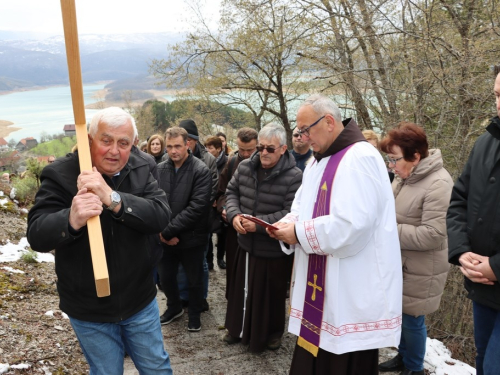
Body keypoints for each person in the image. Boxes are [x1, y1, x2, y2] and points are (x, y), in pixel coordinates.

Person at [27, 107, 173, 374]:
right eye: (106, 140)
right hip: (88, 308)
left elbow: (161, 215)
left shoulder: (141, 167)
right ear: (90, 140)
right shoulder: (60, 174)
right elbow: (36, 234)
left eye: (123, 143)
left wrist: (114, 199)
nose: (114, 151)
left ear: (133, 145)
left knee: (157, 367)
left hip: (139, 299)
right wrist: (70, 220)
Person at [268, 94, 402, 375]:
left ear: (329, 121)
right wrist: (287, 225)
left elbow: (352, 226)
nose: (302, 138)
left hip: (350, 285)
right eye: (299, 131)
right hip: (325, 283)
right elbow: (302, 205)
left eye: (306, 130)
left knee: (343, 361)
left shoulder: (360, 158)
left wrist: (299, 233)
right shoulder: (318, 161)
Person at [378, 122, 453, 375]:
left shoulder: (438, 183)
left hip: (421, 266)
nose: (391, 166)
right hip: (398, 261)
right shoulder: (404, 176)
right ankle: (403, 356)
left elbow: (433, 235)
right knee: (397, 313)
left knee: (412, 318)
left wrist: (387, 230)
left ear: (416, 156)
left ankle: (414, 368)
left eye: (394, 159)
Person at [224, 123, 302, 352]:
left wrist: (256, 224)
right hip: (245, 244)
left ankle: (271, 334)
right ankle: (236, 329)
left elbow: (291, 211)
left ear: (283, 148)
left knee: (271, 296)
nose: (263, 153)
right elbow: (231, 193)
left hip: (272, 249)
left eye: (270, 148)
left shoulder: (294, 175)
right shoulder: (245, 166)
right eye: (260, 147)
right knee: (241, 291)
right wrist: (234, 215)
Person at [447, 70, 500, 375]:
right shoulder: (484, 144)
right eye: (496, 95)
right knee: (483, 362)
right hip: (482, 289)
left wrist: (496, 266)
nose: (499, 104)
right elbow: (459, 201)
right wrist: (461, 250)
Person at [157, 127, 212, 332]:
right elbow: (154, 202)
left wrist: (167, 232)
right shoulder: (160, 169)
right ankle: (174, 307)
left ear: (187, 144)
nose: (173, 151)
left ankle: (195, 313)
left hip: (192, 237)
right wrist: (162, 233)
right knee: (166, 277)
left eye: (177, 146)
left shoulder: (200, 170)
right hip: (165, 238)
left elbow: (197, 207)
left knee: (194, 279)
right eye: (169, 146)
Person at [168, 119, 218, 310]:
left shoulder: (207, 161)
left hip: (198, 223)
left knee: (200, 264)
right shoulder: (169, 163)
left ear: (192, 141)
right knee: (180, 266)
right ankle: (183, 298)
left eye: (189, 140)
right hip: (177, 224)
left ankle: (200, 298)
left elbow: (209, 192)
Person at [216, 127, 258, 295]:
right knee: (234, 269)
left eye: (250, 150)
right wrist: (224, 209)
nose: (246, 154)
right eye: (242, 150)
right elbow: (221, 192)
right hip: (234, 227)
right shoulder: (232, 161)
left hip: (256, 228)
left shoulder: (266, 162)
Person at [204, 135, 228, 270]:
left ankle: (220, 258)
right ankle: (209, 260)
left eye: (211, 148)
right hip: (209, 201)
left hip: (221, 202)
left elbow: (226, 184)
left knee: (222, 233)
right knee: (208, 233)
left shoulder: (227, 162)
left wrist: (218, 200)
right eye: (206, 147)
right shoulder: (205, 161)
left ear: (219, 149)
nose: (208, 150)